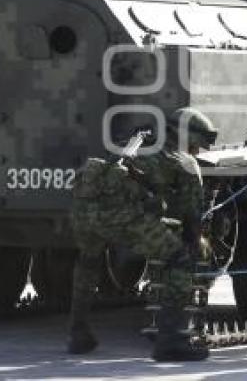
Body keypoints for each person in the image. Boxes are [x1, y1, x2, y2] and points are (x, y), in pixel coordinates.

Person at [67, 107, 217, 362]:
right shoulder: (184, 161)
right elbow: (192, 221)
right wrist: (193, 245)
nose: (197, 152)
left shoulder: (131, 143)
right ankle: (171, 341)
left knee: (88, 262)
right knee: (179, 259)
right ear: (186, 137)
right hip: (121, 216)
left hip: (83, 211)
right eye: (196, 145)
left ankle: (77, 334)